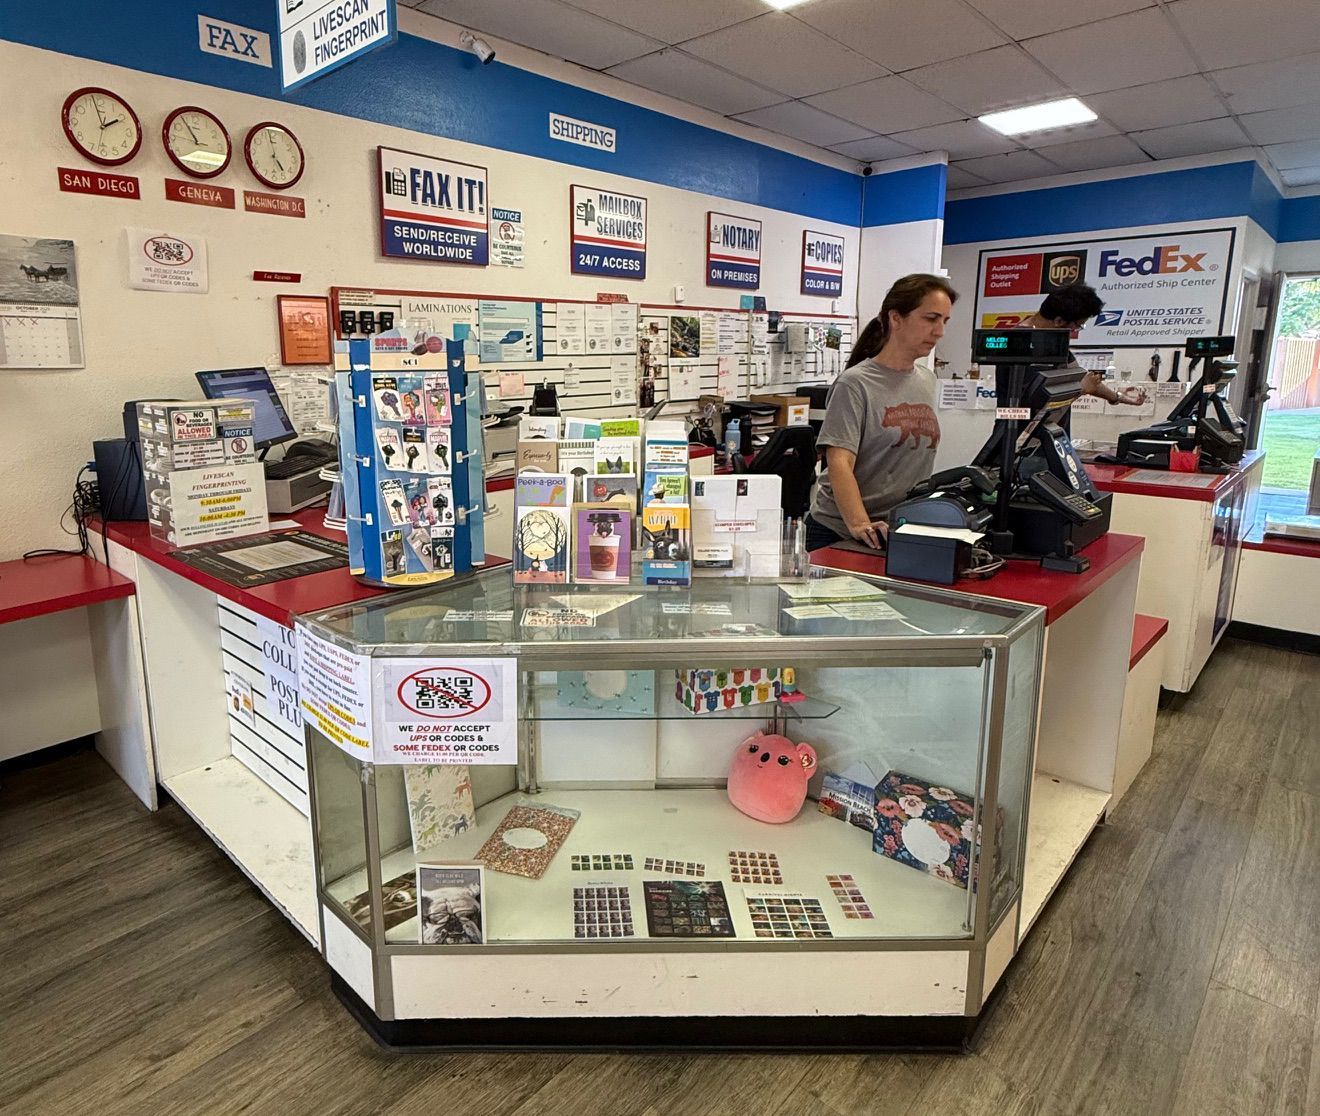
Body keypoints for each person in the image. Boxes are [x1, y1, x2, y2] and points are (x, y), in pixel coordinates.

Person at [805, 274, 957, 553]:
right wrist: (860, 525)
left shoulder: (926, 379)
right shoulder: (856, 383)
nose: (939, 331)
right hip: (841, 532)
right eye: (930, 318)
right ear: (896, 318)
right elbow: (838, 462)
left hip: (895, 529)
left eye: (944, 321)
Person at [1024, 284, 1147, 405]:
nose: (1075, 330)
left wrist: (1117, 397)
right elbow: (1026, 401)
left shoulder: (1054, 341)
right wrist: (1081, 389)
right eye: (1078, 325)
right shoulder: (1018, 343)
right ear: (1059, 321)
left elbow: (1085, 380)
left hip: (1054, 424)